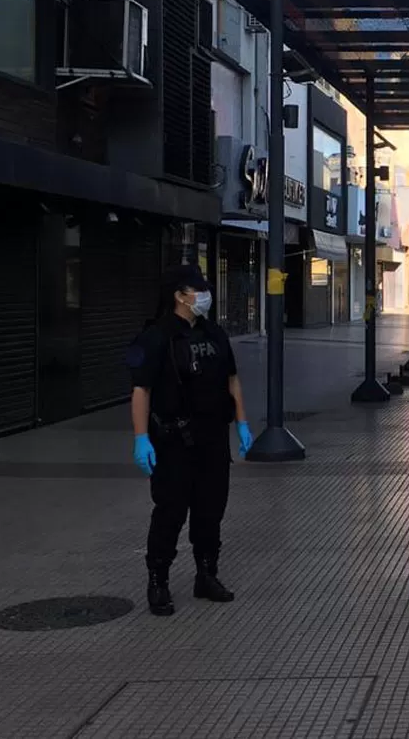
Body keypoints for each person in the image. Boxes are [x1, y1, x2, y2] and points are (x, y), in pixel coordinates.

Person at [128, 264, 254, 617]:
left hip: (213, 438)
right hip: (172, 441)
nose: (204, 296)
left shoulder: (214, 334)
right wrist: (141, 438)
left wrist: (242, 424)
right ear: (179, 296)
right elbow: (141, 390)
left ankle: (207, 574)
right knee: (170, 511)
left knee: (210, 510)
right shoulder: (158, 337)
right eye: (197, 290)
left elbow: (232, 380)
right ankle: (158, 581)